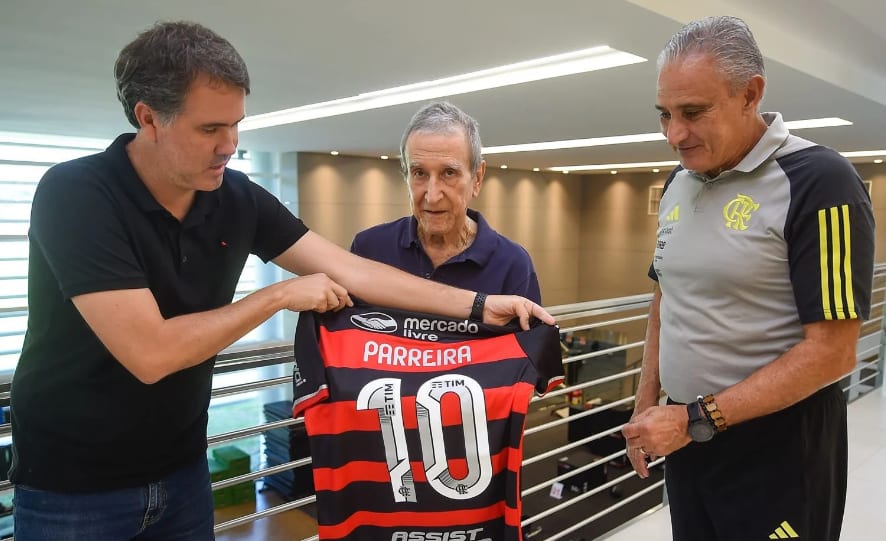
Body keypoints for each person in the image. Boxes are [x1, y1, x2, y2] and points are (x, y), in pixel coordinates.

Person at [10, 21, 552, 541]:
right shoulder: (76, 195)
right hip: (74, 488)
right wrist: (278, 295)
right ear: (149, 118)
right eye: (210, 129)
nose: (230, 143)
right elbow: (149, 352)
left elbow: (353, 270)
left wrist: (479, 306)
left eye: (236, 124)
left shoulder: (235, 196)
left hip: (180, 469)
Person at [622, 15, 875, 541]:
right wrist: (648, 401)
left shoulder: (820, 181)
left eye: (693, 112)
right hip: (688, 441)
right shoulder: (678, 182)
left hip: (779, 451)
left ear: (750, 94)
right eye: (664, 114)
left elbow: (834, 352)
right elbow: (666, 294)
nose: (674, 135)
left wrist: (697, 417)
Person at [351, 101, 541, 303]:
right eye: (419, 173)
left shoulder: (512, 265)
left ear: (477, 178)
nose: (432, 196)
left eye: (449, 173)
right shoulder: (369, 249)